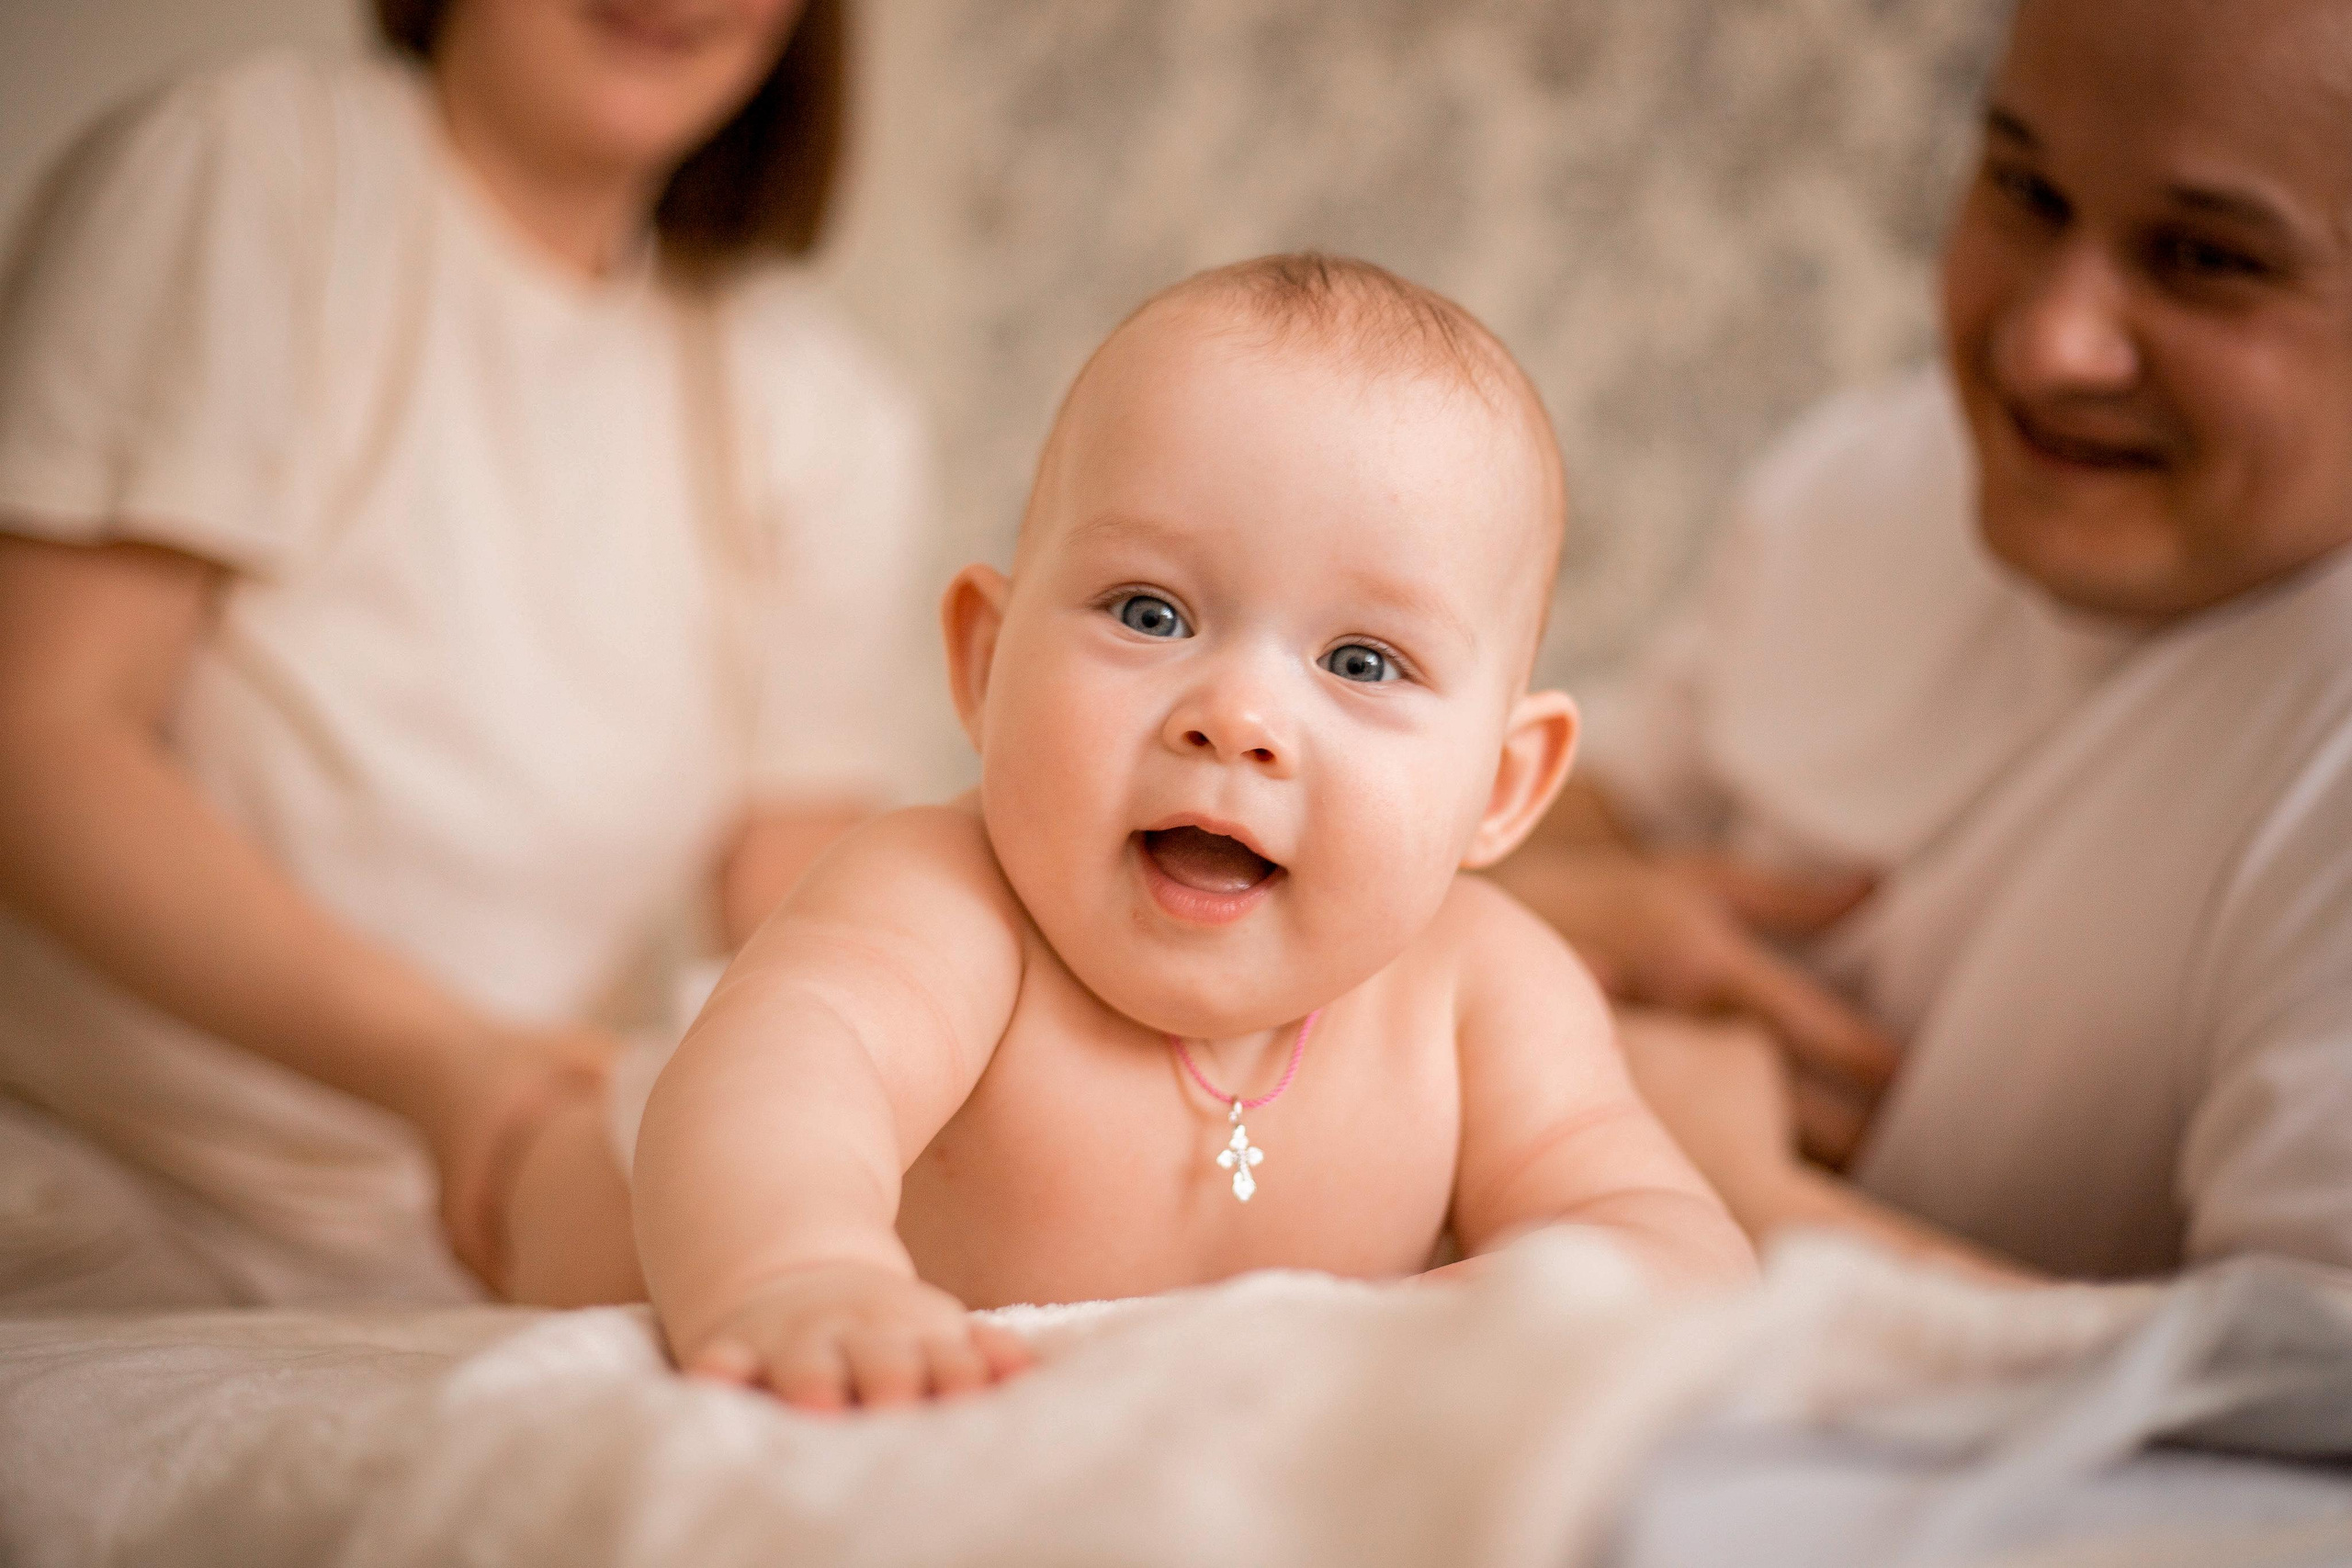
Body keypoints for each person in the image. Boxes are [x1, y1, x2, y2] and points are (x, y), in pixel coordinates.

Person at [530, 254, 1754, 1409]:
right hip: (622, 1172)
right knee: (547, 1157)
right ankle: (506, 1139)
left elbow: (1670, 1245)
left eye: (1362, 660)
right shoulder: (945, 903)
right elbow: (779, 1088)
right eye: (1152, 612)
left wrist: (1425, 1322)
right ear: (989, 663)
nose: (1237, 717)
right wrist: (796, 1277)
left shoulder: (1485, 992)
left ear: (1501, 784)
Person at [0, 0, 929, 1309]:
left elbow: (801, 891)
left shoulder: (818, 409)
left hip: (480, 1213)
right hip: (95, 1173)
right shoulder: (257, 171)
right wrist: (444, 1065)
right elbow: (39, 737)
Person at [1496, 0, 2352, 1281]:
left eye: (2207, 260)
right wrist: (1540, 933)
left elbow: (2289, 1425)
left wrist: (1732, 1196)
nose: (2051, 347)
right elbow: (1584, 807)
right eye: (2025, 189)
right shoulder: (1873, 477)